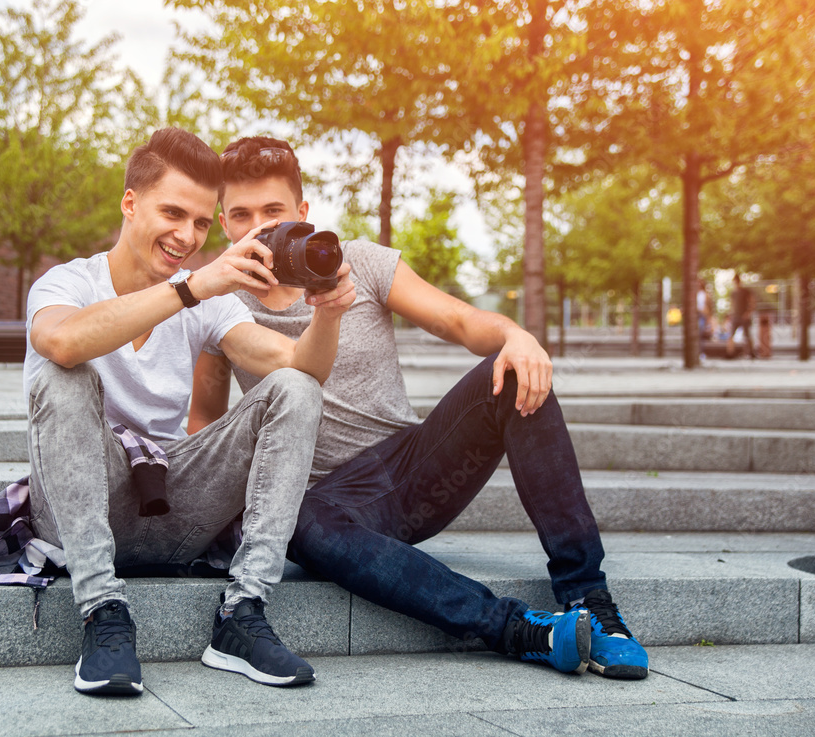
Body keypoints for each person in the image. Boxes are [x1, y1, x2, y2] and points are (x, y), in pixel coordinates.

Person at [189, 137, 649, 680]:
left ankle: (589, 599)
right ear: (224, 224)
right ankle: (518, 630)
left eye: (273, 211)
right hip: (326, 506)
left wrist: (515, 334)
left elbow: (455, 321)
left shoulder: (357, 262)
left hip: (413, 469)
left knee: (511, 371)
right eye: (241, 216)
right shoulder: (218, 306)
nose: (258, 229)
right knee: (299, 517)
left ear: (302, 213)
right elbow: (209, 430)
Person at [22, 128, 355, 694]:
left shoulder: (205, 298)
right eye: (173, 213)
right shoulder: (70, 282)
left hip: (171, 509)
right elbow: (62, 343)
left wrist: (328, 313)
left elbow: (302, 367)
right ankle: (102, 609)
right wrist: (191, 288)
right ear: (130, 203)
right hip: (76, 511)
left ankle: (243, 613)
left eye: (202, 223)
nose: (186, 236)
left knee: (295, 389)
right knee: (62, 375)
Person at [727, 273, 756, 358]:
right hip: (735, 317)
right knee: (731, 335)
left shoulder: (746, 291)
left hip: (744, 317)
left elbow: (752, 303)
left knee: (747, 335)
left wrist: (748, 313)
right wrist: (730, 314)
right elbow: (732, 305)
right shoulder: (733, 293)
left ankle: (751, 352)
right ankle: (730, 353)